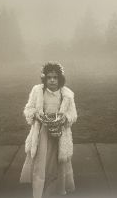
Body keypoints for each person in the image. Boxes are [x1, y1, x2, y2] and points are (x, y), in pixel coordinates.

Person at [20, 62, 77, 198]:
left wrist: (64, 119)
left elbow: (73, 114)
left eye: (55, 77)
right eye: (49, 77)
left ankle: (56, 188)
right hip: (42, 134)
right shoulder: (38, 91)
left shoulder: (67, 95)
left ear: (60, 79)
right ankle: (40, 189)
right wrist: (36, 115)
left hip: (59, 134)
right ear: (44, 79)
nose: (52, 80)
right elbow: (29, 108)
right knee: (41, 160)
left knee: (58, 162)